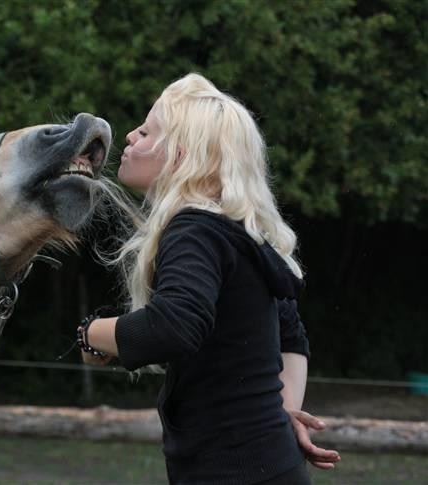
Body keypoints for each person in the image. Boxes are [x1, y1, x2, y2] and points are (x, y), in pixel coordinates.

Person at [78, 73, 340, 484]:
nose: (129, 136)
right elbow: (291, 332)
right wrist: (286, 409)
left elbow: (173, 326)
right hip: (271, 466)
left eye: (146, 132)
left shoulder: (193, 229)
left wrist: (90, 332)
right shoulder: (237, 234)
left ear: (180, 157)